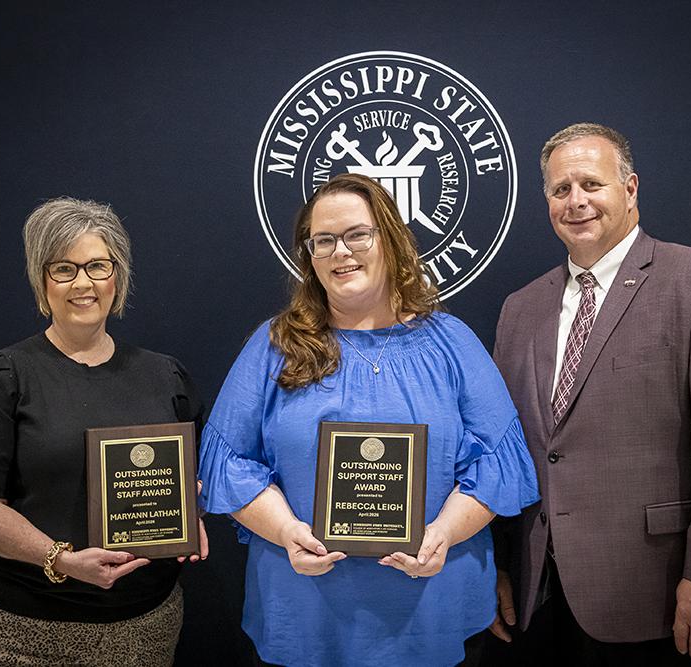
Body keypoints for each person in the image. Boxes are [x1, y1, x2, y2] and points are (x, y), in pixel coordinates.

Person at [197, 173, 539, 666]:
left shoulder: (452, 342)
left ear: (391, 240)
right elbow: (227, 463)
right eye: (324, 240)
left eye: (358, 234)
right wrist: (286, 531)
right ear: (309, 256)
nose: (342, 252)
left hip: (433, 607)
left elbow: (499, 462)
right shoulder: (274, 346)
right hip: (306, 611)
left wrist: (443, 532)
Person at [489, 123, 691, 665]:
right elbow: (509, 449)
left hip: (666, 597)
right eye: (560, 190)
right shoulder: (520, 308)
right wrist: (499, 565)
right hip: (543, 597)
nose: (576, 202)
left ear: (630, 188)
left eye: (591, 185)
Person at [0, 197, 207, 666]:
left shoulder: (166, 377)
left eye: (98, 266)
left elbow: (193, 474)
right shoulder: (1, 376)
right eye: (64, 269)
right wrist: (59, 559)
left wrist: (189, 512)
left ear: (117, 277)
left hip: (145, 627)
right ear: (42, 281)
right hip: (23, 632)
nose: (83, 283)